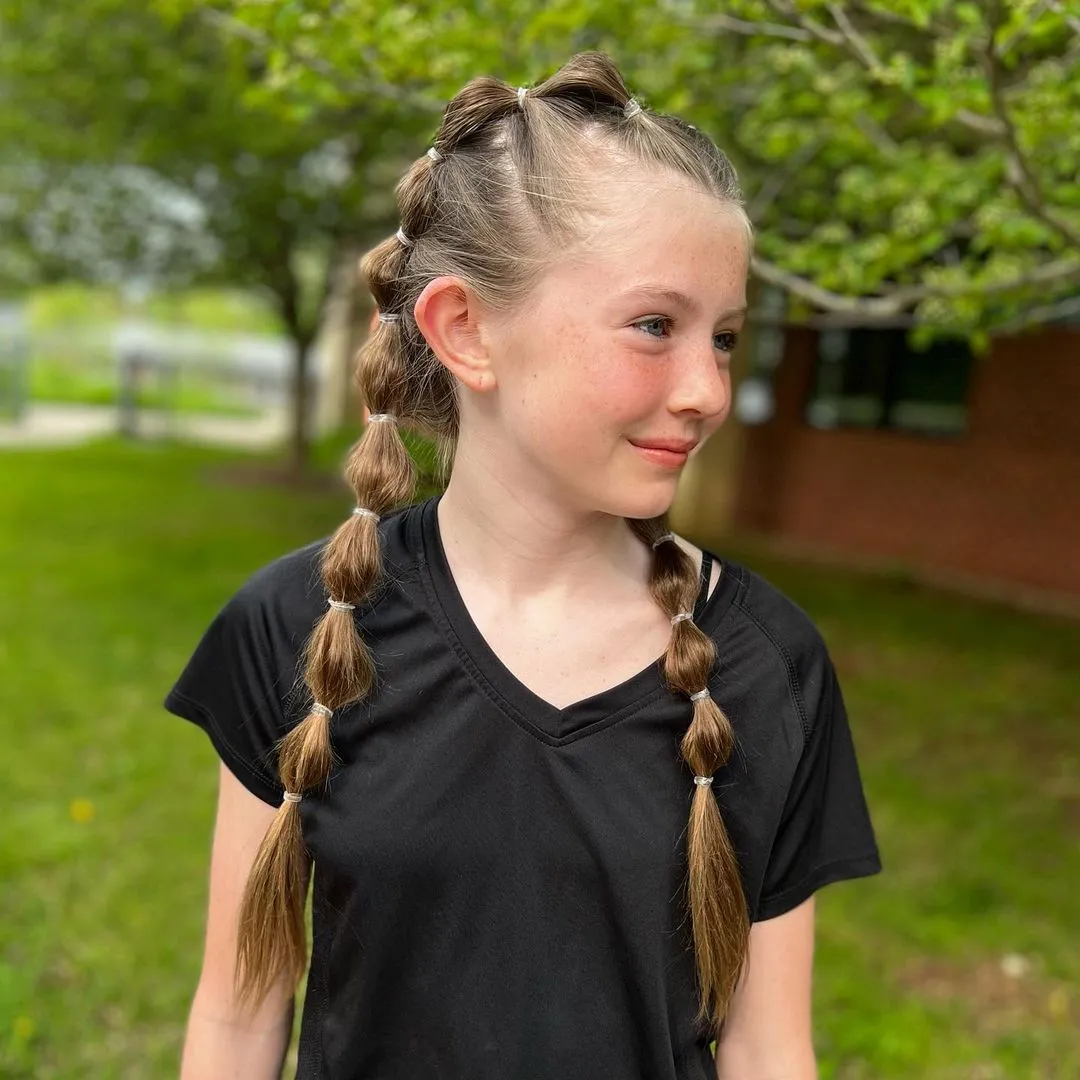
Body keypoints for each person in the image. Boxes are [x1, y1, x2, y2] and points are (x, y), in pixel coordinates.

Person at [165, 51, 881, 1080]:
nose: (709, 390)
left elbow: (770, 1048)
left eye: (723, 337)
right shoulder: (300, 625)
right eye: (654, 325)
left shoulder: (766, 666)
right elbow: (237, 1021)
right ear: (466, 329)